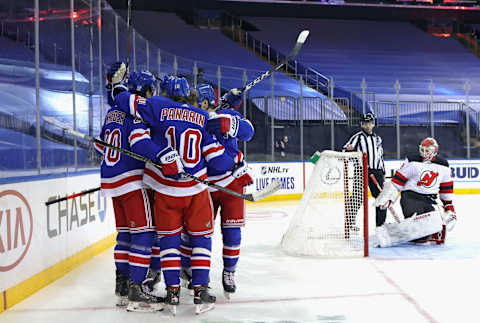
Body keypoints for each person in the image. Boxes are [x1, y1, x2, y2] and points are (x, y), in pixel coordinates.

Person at [113, 76, 235, 315]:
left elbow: (124, 105)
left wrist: (118, 88)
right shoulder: (202, 117)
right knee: (201, 240)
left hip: (165, 190)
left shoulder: (156, 105)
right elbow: (219, 161)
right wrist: (233, 156)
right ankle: (200, 290)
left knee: (169, 242)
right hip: (196, 191)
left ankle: (172, 292)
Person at [96, 70, 164, 312]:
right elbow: (140, 143)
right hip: (133, 181)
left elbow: (99, 144)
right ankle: (137, 289)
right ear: (145, 90)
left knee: (124, 235)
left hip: (112, 182)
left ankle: (122, 288)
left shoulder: (112, 111)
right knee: (144, 234)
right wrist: (161, 158)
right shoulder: (137, 111)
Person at [180, 84, 254, 299]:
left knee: (232, 231)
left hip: (231, 183)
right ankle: (191, 270)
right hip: (203, 185)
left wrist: (228, 120)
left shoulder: (225, 114)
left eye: (193, 101)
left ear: (203, 102)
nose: (188, 105)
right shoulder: (192, 120)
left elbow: (249, 131)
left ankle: (229, 272)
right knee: (197, 232)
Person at [374, 137, 457, 247]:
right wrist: (388, 198)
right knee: (421, 236)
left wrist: (449, 207)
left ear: (435, 151)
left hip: (429, 200)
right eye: (422, 150)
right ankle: (389, 233)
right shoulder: (413, 161)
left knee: (438, 230)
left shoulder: (443, 165)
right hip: (411, 198)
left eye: (427, 150)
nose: (424, 153)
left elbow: (446, 188)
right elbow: (397, 181)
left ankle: (413, 231)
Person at [343, 113, 386, 227]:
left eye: (370, 123)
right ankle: (350, 223)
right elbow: (344, 151)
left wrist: (383, 173)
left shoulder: (378, 139)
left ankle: (380, 225)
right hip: (361, 172)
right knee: (357, 197)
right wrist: (348, 150)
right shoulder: (357, 137)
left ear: (373, 124)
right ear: (362, 124)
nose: (368, 126)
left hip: (376, 172)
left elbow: (380, 156)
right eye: (365, 123)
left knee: (381, 198)